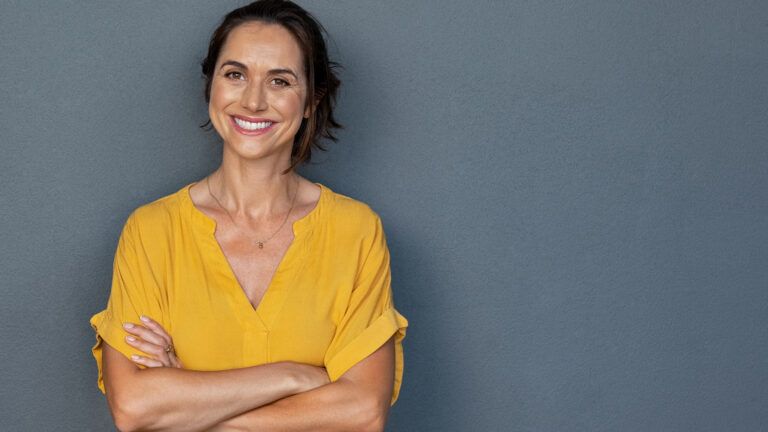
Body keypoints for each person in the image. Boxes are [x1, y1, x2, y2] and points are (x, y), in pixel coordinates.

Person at [87, 1, 408, 430]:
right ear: (212, 88)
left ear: (311, 100)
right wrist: (296, 377)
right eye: (235, 74)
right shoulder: (152, 231)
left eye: (280, 81)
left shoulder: (355, 231)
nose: (254, 101)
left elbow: (364, 412)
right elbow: (134, 409)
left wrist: (192, 403)